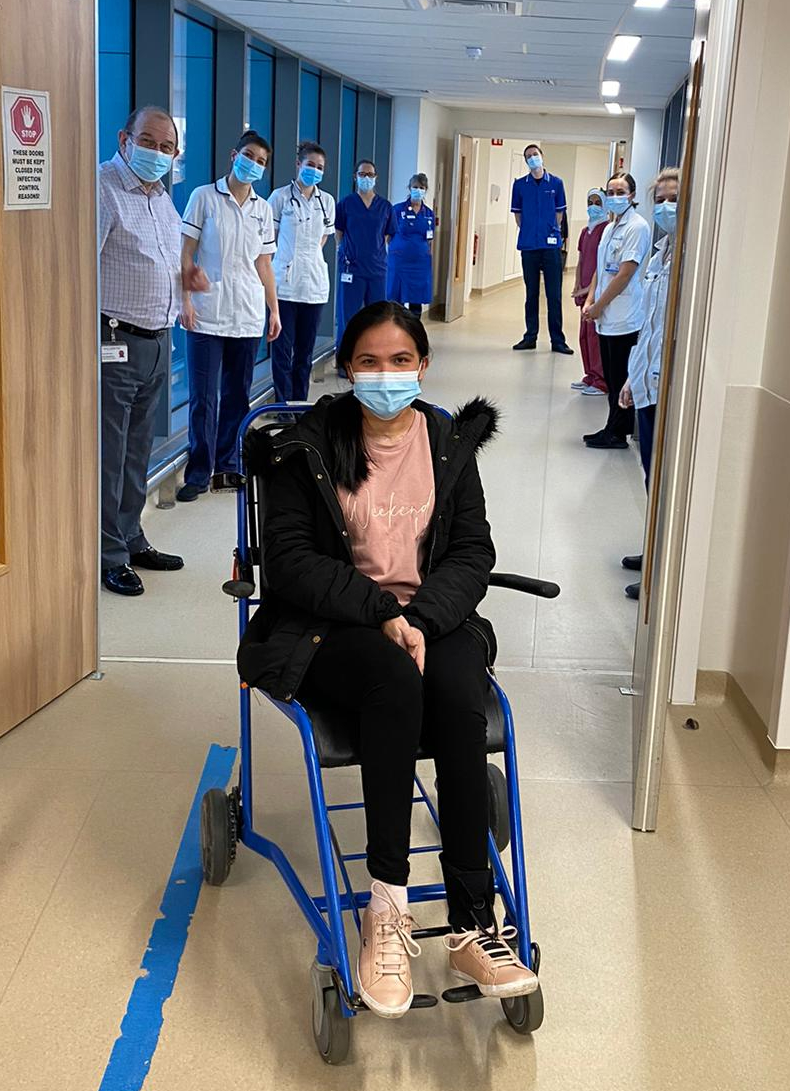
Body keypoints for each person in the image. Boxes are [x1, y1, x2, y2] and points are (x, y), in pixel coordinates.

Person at [237, 301, 539, 1018]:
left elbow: (472, 552)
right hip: (330, 624)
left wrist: (423, 617)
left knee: (463, 688)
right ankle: (387, 910)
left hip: (434, 618)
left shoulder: (446, 443)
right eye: (369, 361)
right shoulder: (305, 446)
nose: (385, 375)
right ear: (346, 368)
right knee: (395, 680)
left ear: (424, 366)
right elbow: (291, 563)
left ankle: (471, 921)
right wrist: (382, 613)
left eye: (401, 361)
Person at [98, 105, 208, 597]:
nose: (157, 153)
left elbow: (163, 261)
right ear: (125, 138)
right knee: (110, 453)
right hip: (114, 340)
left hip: (158, 340)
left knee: (138, 449)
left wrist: (185, 280)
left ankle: (132, 536)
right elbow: (79, 268)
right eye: (148, 141)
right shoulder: (103, 189)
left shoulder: (163, 198)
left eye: (167, 147)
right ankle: (108, 554)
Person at [176, 130, 282, 503]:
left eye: (261, 161)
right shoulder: (203, 197)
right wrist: (184, 301)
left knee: (237, 395)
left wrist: (274, 309)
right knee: (203, 397)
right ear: (234, 154)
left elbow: (264, 263)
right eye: (249, 156)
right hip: (206, 314)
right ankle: (198, 471)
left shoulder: (263, 209)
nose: (253, 164)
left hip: (248, 314)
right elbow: (186, 253)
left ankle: (227, 463)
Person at [618, 167, 680, 599]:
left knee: (664, 479)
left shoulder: (691, 260)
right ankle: (655, 551)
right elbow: (650, 327)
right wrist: (630, 377)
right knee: (649, 476)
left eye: (674, 198)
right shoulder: (662, 254)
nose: (665, 206)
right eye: (659, 198)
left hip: (669, 391)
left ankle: (664, 567)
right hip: (646, 384)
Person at [581, 172, 652, 449]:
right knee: (611, 377)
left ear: (632, 196)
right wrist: (590, 299)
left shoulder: (638, 227)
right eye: (610, 192)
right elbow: (602, 266)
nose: (614, 197)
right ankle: (611, 426)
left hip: (624, 316)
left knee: (621, 375)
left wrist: (599, 305)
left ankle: (618, 432)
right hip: (605, 313)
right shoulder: (611, 227)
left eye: (620, 192)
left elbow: (624, 274)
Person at [266, 142, 336, 402]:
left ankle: (299, 404)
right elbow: (269, 239)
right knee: (282, 351)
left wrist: (308, 261)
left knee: (305, 353)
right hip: (283, 285)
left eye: (320, 168)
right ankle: (283, 405)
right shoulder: (280, 197)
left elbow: (324, 238)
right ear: (298, 164)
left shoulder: (326, 201)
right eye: (310, 165)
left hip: (314, 287)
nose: (315, 171)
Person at [509, 144, 572, 355]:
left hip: (550, 246)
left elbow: (559, 214)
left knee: (554, 295)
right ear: (526, 161)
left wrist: (549, 231)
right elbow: (518, 216)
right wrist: (530, 230)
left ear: (542, 157)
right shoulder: (519, 185)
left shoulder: (556, 183)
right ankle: (530, 336)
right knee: (531, 293)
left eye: (535, 155)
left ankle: (558, 340)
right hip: (529, 246)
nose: (532, 158)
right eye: (528, 156)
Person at [335, 158, 397, 341]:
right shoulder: (346, 204)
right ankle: (345, 361)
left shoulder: (385, 206)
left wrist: (373, 249)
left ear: (376, 177)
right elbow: (338, 231)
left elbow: (388, 234)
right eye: (362, 174)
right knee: (348, 317)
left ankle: (373, 359)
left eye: (370, 175)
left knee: (377, 318)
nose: (366, 178)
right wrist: (345, 249)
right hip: (351, 268)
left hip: (377, 269)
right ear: (355, 177)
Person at [570, 188, 609, 396]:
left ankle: (601, 381)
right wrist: (577, 284)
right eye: (590, 202)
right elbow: (581, 259)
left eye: (597, 202)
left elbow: (602, 264)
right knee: (584, 335)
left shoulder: (606, 229)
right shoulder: (586, 231)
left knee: (595, 337)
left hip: (595, 292)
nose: (593, 206)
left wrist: (588, 289)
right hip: (583, 291)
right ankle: (590, 375)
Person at [385, 174, 435, 318]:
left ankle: (414, 332)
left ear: (425, 190)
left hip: (420, 264)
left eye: (421, 187)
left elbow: (430, 238)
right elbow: (388, 236)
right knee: (397, 300)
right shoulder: (397, 210)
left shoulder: (428, 213)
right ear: (409, 188)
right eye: (415, 187)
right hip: (400, 262)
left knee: (416, 300)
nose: (418, 190)